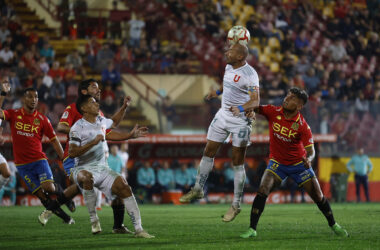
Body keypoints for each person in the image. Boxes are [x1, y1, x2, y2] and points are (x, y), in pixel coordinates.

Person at [240, 87, 348, 239]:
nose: (286, 99)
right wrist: (248, 110)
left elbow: (311, 151)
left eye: (291, 99)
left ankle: (334, 225)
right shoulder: (273, 111)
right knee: (263, 188)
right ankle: (252, 229)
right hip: (277, 163)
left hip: (299, 165)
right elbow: (255, 106)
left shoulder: (303, 126)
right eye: (287, 96)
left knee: (318, 196)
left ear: (298, 106)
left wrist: (308, 160)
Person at [179, 43, 260, 223]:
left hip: (240, 120)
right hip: (223, 115)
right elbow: (228, 85)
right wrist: (216, 92)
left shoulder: (251, 74)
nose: (226, 52)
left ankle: (236, 205)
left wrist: (241, 108)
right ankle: (198, 188)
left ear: (240, 56)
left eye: (230, 51)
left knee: (237, 162)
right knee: (208, 151)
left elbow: (255, 100)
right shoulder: (228, 67)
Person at [57, 79, 138, 234]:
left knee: (117, 188)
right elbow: (61, 126)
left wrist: (128, 134)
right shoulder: (73, 108)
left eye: (99, 87)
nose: (99, 90)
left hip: (96, 160)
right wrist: (82, 133)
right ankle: (58, 207)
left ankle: (117, 226)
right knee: (83, 184)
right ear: (84, 91)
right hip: (76, 158)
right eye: (94, 87)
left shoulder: (98, 113)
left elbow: (110, 129)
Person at [68, 94, 153, 238]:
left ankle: (139, 230)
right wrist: (92, 143)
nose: (97, 104)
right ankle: (94, 220)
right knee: (87, 178)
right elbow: (72, 153)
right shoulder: (77, 128)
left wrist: (124, 108)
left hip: (102, 169)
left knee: (125, 187)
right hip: (82, 168)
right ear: (84, 108)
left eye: (96, 102)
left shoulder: (101, 120)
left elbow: (113, 122)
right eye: (92, 102)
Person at [0, 87, 74, 225]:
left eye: (36, 97)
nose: (33, 100)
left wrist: (64, 159)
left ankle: (64, 195)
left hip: (39, 160)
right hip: (22, 165)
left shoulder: (42, 119)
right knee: (41, 196)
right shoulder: (13, 114)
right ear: (23, 99)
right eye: (30, 97)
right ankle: (67, 218)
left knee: (49, 188)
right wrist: (3, 93)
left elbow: (54, 140)